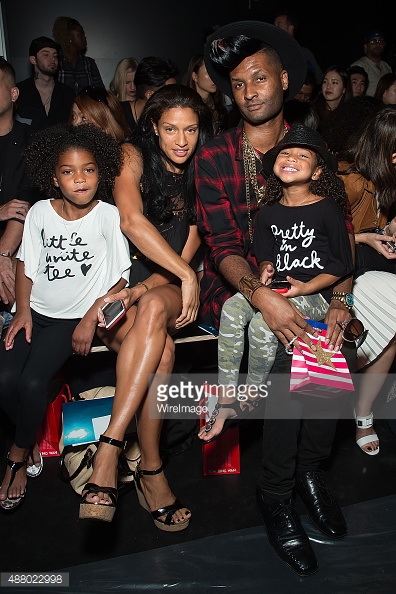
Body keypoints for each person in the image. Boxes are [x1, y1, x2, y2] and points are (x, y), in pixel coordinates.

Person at [196, 20, 355, 577]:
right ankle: (276, 491)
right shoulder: (215, 154)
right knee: (295, 354)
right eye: (238, 85)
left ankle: (311, 468)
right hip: (237, 285)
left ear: (284, 79)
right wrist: (264, 295)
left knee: (335, 344)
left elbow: (338, 232)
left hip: (308, 285)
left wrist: (343, 300)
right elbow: (222, 247)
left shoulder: (309, 147)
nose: (250, 92)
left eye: (259, 78)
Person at [73, 84, 213, 527]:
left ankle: (109, 450)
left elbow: (187, 253)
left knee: (153, 305)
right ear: (153, 126)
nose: (181, 140)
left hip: (167, 284)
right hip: (117, 284)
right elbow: (131, 220)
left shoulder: (204, 172)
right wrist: (135, 290)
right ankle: (152, 470)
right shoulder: (131, 156)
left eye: (190, 130)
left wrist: (179, 277)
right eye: (170, 128)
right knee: (164, 352)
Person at [0, 123, 131, 512]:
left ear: (100, 173)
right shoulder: (40, 212)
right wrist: (22, 311)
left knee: (32, 382)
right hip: (35, 312)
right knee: (5, 379)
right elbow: (26, 264)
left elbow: (122, 277)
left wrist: (91, 316)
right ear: (53, 177)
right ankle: (28, 432)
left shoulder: (108, 216)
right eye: (68, 171)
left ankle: (17, 455)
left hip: (71, 321)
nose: (80, 179)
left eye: (88, 170)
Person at [199, 124, 353, 442]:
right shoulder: (267, 214)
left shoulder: (328, 209)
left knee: (260, 327)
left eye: (302, 155)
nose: (291, 158)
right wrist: (267, 268)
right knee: (231, 308)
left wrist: (305, 288)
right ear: (274, 166)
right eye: (285, 153)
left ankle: (253, 394)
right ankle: (227, 400)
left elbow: (342, 265)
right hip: (280, 287)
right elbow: (266, 256)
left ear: (317, 170)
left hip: (316, 293)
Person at [337, 106, 396, 455]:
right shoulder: (352, 181)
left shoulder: (388, 179)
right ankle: (361, 412)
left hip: (375, 263)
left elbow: (383, 224)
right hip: (345, 270)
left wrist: (389, 228)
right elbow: (321, 238)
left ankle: (364, 412)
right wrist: (364, 238)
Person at [0, 58, 37, 319]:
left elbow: (23, 206)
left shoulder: (30, 141)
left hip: (14, 244)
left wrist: (2, 254)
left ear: (14, 94)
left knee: (12, 279)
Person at [16, 36, 75, 133]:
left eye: (55, 55)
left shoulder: (67, 93)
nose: (52, 59)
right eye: (46, 54)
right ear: (33, 59)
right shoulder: (19, 92)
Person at [120, 56, 178, 136]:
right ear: (150, 95)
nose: (176, 97)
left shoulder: (169, 119)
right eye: (171, 93)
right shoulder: (116, 116)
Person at [52, 16, 105, 94]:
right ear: (69, 37)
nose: (85, 38)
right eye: (80, 35)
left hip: (85, 106)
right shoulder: (56, 62)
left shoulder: (89, 63)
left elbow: (100, 91)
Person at [273, 11, 323, 86]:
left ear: (290, 29)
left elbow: (319, 78)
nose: (274, 28)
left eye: (279, 24)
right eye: (274, 25)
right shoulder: (271, 51)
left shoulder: (304, 53)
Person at [182, 54, 227, 135]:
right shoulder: (186, 107)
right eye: (209, 73)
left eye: (215, 73)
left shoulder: (217, 106)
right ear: (194, 76)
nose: (214, 78)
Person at [350, 29, 392, 97]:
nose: (377, 44)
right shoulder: (359, 65)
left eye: (380, 41)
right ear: (366, 46)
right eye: (373, 42)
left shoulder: (386, 66)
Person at [311, 65, 348, 130]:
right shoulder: (312, 110)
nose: (328, 86)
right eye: (325, 82)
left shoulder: (348, 114)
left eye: (334, 82)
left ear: (344, 89)